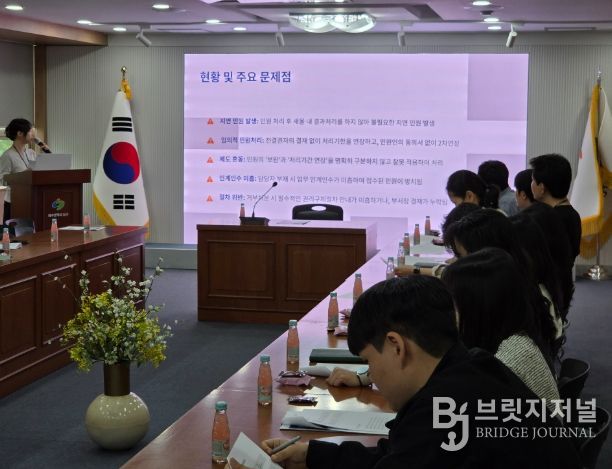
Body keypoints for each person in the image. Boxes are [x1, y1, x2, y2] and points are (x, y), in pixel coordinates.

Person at [229, 276, 581, 469]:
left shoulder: (444, 411)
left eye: (369, 362)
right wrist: (313, 455)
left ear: (396, 346)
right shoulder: (472, 368)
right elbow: (396, 455)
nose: (372, 375)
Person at [441, 248, 559, 398]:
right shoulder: (515, 337)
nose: (449, 313)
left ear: (477, 309)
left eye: (455, 305)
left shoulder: (504, 363)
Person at [529, 154, 582, 262]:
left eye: (533, 180)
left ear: (542, 188)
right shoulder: (574, 214)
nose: (531, 184)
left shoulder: (545, 219)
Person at [0, 118, 38, 222]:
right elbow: (2, 180)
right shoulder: (7, 155)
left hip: (30, 200)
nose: (33, 135)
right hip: (13, 202)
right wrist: (23, 175)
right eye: (30, 131)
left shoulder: (32, 153)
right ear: (20, 133)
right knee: (14, 231)